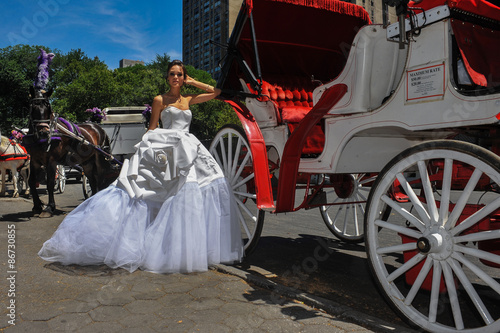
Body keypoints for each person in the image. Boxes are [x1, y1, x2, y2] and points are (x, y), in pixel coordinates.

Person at [39, 60, 244, 274]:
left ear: (183, 78)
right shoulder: (160, 99)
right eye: (172, 74)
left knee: (205, 183)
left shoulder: (189, 99)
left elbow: (217, 92)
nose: (176, 77)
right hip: (167, 146)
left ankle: (189, 247)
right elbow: (153, 127)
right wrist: (145, 151)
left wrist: (194, 81)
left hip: (189, 147)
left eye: (179, 74)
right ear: (167, 77)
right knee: (155, 192)